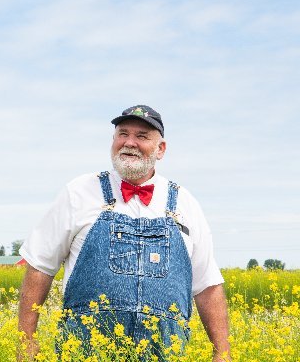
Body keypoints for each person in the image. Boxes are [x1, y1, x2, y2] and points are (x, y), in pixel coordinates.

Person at [18, 105, 231, 361]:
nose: (129, 142)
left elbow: (207, 285)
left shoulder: (186, 203)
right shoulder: (78, 193)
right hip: (87, 351)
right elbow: (40, 267)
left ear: (161, 149)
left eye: (142, 136)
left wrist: (223, 352)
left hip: (164, 353)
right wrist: (26, 342)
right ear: (113, 140)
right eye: (123, 134)